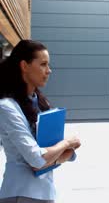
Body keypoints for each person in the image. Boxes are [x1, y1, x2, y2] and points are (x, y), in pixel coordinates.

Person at [0, 40, 81, 203]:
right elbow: (37, 159)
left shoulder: (41, 103)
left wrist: (52, 157)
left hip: (45, 192)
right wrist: (66, 143)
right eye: (43, 64)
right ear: (24, 66)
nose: (49, 71)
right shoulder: (7, 107)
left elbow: (67, 155)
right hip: (21, 193)